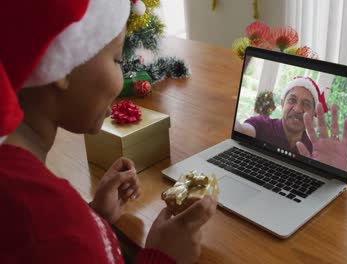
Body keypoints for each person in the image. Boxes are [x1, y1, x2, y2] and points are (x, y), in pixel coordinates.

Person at [0, 1, 217, 263]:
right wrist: (162, 256)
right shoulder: (56, 228)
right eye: (117, 59)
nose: (123, 77)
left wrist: (94, 217)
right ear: (64, 63)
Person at [235, 76, 347, 171]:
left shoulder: (314, 148)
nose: (298, 109)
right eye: (292, 100)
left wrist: (334, 170)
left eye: (306, 104)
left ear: (312, 114)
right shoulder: (260, 124)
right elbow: (243, 130)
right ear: (282, 103)